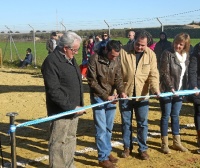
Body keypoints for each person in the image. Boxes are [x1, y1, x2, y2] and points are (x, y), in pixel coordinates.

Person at [41, 31, 85, 168]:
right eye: (74, 50)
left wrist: (78, 105)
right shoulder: (51, 62)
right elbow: (53, 91)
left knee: (71, 138)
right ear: (65, 47)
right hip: (61, 111)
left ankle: (69, 164)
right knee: (58, 141)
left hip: (74, 109)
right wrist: (72, 106)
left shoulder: (70, 57)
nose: (76, 53)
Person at [119, 30, 160, 160]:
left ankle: (142, 148)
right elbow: (117, 73)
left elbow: (153, 74)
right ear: (134, 40)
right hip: (126, 93)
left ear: (147, 44)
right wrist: (120, 90)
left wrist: (156, 90)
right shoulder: (123, 51)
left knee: (142, 123)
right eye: (138, 44)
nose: (140, 47)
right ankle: (127, 147)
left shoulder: (151, 55)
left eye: (143, 45)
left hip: (142, 95)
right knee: (126, 122)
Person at [87, 40, 127, 168]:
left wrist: (121, 92)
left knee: (109, 128)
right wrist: (105, 96)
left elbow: (118, 78)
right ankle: (102, 158)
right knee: (101, 128)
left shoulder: (116, 60)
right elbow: (92, 81)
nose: (114, 58)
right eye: (112, 55)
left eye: (117, 56)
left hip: (112, 96)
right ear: (106, 50)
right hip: (98, 97)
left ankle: (107, 151)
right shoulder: (94, 59)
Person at [159, 33, 190, 154]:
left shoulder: (186, 56)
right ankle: (164, 144)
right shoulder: (167, 54)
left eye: (181, 44)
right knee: (166, 115)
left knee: (175, 116)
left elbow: (185, 74)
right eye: (176, 43)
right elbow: (164, 72)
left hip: (180, 91)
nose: (177, 46)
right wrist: (171, 87)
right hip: (167, 90)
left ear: (185, 45)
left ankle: (177, 142)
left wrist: (186, 88)